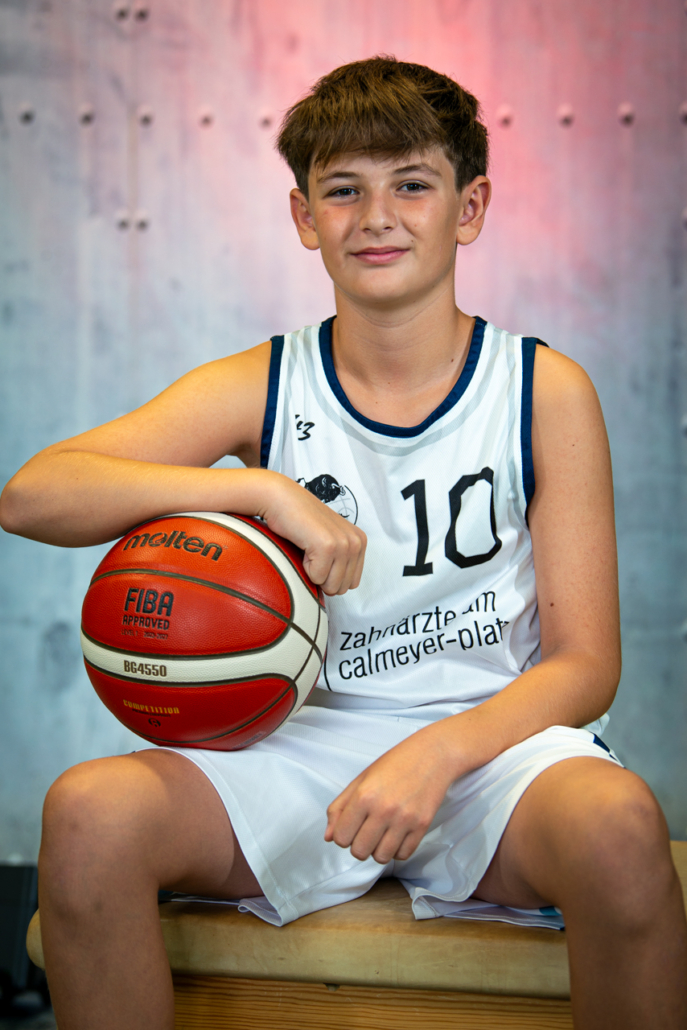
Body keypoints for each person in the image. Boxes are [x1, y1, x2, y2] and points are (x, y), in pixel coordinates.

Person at [1, 56, 685, 1030]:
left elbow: (586, 666)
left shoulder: (542, 390)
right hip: (301, 750)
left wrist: (435, 754)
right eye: (343, 190)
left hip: (491, 751)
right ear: (304, 217)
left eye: (411, 184)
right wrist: (259, 491)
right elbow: (32, 495)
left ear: (470, 207)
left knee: (620, 828)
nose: (376, 217)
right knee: (89, 813)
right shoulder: (263, 383)